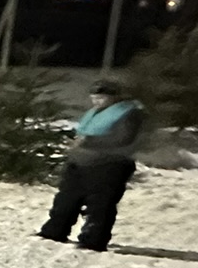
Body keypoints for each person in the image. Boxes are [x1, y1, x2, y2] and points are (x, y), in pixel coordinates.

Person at [38, 77, 146, 252]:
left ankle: (93, 240)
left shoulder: (130, 113)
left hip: (110, 164)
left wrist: (88, 141)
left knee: (100, 205)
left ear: (115, 97)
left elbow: (124, 138)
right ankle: (54, 231)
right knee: (66, 199)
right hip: (80, 163)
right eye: (94, 97)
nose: (96, 101)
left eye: (101, 97)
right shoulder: (96, 112)